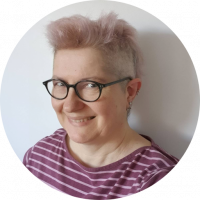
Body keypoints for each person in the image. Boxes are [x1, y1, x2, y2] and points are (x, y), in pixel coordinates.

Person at [22, 12, 180, 199]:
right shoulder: (37, 157)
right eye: (60, 84)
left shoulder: (153, 178)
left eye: (91, 85)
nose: (70, 105)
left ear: (129, 91)